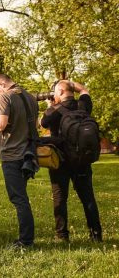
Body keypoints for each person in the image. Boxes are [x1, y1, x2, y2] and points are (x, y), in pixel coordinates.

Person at [40, 80, 102, 242]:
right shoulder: (83, 106)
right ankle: (96, 235)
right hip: (82, 159)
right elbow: (84, 90)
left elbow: (42, 124)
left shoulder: (55, 110)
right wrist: (73, 85)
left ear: (60, 92)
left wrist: (50, 105)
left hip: (60, 161)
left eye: (54, 92)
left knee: (60, 198)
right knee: (88, 197)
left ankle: (62, 235)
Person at [0, 73, 38, 248]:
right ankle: (27, 237)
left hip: (12, 154)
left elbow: (1, 124)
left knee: (18, 198)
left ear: (1, 83)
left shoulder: (6, 96)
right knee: (22, 196)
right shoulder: (29, 97)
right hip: (28, 154)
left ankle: (26, 240)